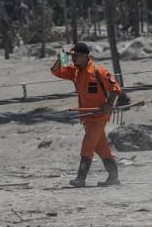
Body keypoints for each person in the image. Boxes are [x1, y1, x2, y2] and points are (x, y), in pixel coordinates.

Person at [51, 42, 121, 187]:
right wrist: (62, 56)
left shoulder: (98, 71)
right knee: (101, 147)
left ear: (85, 56)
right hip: (87, 117)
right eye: (72, 56)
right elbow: (56, 71)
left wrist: (109, 105)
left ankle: (81, 178)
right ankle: (113, 176)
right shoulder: (75, 71)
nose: (74, 59)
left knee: (88, 145)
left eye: (76, 56)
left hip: (99, 116)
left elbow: (115, 88)